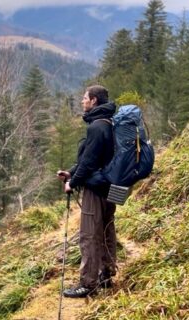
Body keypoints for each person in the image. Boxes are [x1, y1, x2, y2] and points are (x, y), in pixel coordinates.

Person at [57, 85, 117, 298]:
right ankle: (107, 274)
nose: (82, 101)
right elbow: (91, 159)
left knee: (89, 234)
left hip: (96, 189)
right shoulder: (111, 123)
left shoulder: (96, 127)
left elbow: (89, 163)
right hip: (112, 186)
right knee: (107, 228)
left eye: (84, 98)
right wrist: (71, 172)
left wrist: (71, 183)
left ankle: (87, 283)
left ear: (94, 101)